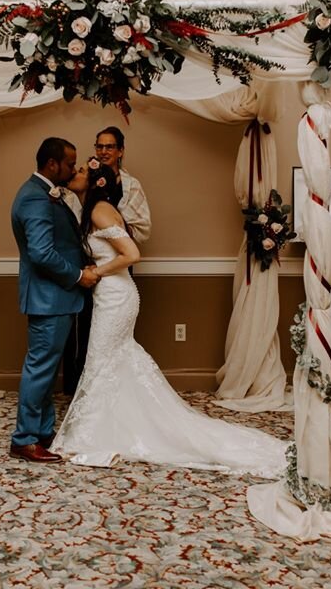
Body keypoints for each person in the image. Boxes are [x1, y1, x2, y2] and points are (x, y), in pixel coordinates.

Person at [51, 162, 287, 477]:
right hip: (109, 295)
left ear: (95, 182)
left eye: (81, 170)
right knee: (109, 362)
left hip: (116, 295)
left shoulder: (100, 210)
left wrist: (96, 271)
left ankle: (93, 434)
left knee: (101, 361)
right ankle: (110, 426)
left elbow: (132, 254)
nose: (75, 171)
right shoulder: (89, 209)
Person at [10, 137, 100, 463]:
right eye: (69, 163)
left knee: (46, 371)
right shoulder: (35, 198)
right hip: (49, 299)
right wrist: (79, 276)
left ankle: (44, 432)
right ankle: (24, 438)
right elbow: (42, 253)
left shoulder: (49, 193)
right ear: (52, 164)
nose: (74, 168)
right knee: (40, 369)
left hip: (56, 298)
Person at [62, 126, 151, 396]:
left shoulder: (124, 191)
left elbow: (135, 244)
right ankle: (90, 398)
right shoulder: (82, 199)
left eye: (109, 147)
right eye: (99, 146)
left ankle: (108, 405)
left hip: (112, 276)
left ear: (120, 151)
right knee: (91, 342)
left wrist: (113, 228)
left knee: (105, 349)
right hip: (91, 273)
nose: (103, 152)